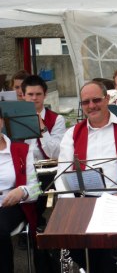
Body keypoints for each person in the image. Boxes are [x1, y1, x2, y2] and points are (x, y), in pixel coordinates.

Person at [55, 81, 117, 272]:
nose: (91, 106)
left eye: (96, 100)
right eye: (86, 102)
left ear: (107, 99)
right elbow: (62, 173)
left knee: (101, 243)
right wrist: (70, 206)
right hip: (84, 202)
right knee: (71, 241)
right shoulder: (71, 134)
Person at [0, 110, 39, 273]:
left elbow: (36, 188)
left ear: (1, 122)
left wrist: (22, 191)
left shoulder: (21, 149)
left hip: (11, 204)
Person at [22, 75, 66, 161]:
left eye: (38, 94)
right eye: (30, 94)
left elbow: (56, 154)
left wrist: (42, 127)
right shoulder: (13, 119)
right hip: (22, 170)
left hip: (48, 170)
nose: (34, 98)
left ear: (45, 95)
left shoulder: (57, 119)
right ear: (23, 95)